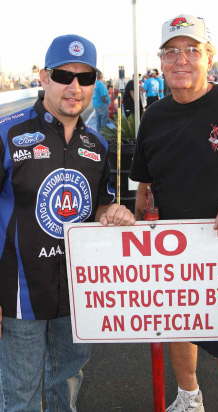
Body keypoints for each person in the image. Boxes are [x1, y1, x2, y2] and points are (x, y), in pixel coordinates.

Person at [130, 13, 218, 412]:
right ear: (160, 60)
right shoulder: (155, 117)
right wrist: (136, 221)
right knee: (177, 327)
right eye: (171, 51)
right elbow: (144, 187)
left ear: (208, 57)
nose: (181, 60)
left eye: (191, 50)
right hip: (170, 254)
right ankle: (189, 397)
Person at [0, 34, 135, 412]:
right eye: (63, 74)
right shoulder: (7, 134)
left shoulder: (97, 145)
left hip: (77, 296)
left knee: (67, 387)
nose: (74, 87)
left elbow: (100, 203)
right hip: (18, 297)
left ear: (95, 83)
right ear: (45, 78)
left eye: (85, 77)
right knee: (20, 397)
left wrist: (111, 212)